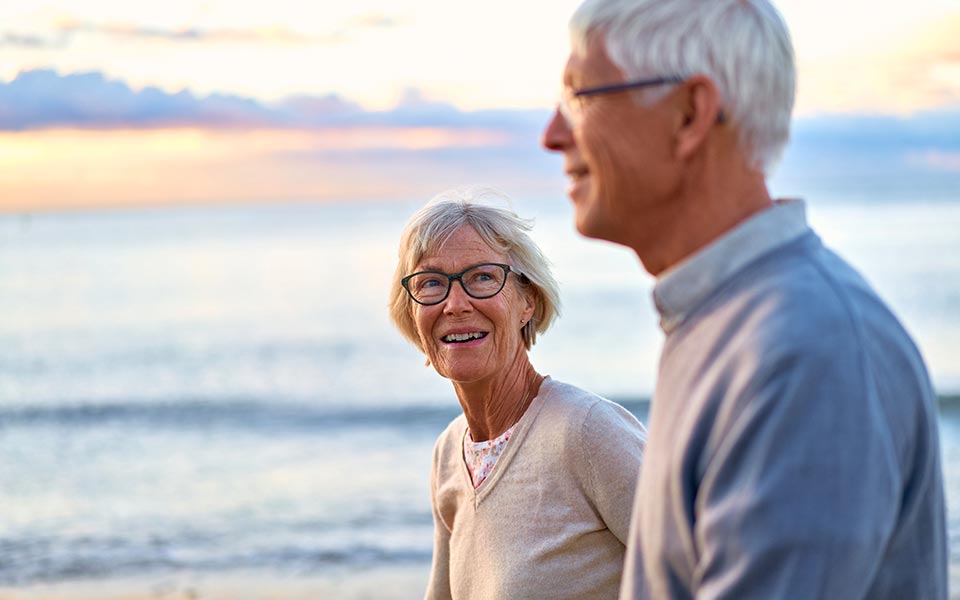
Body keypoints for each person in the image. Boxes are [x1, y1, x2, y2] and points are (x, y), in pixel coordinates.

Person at [541, 1, 947, 599]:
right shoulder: (727, 322)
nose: (553, 135)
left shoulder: (803, 351)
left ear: (689, 115)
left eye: (581, 96)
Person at [389, 188, 647, 599]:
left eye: (483, 277)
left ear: (528, 300)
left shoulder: (587, 433)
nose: (455, 304)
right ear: (412, 312)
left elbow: (712, 572)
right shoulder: (449, 454)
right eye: (431, 283)